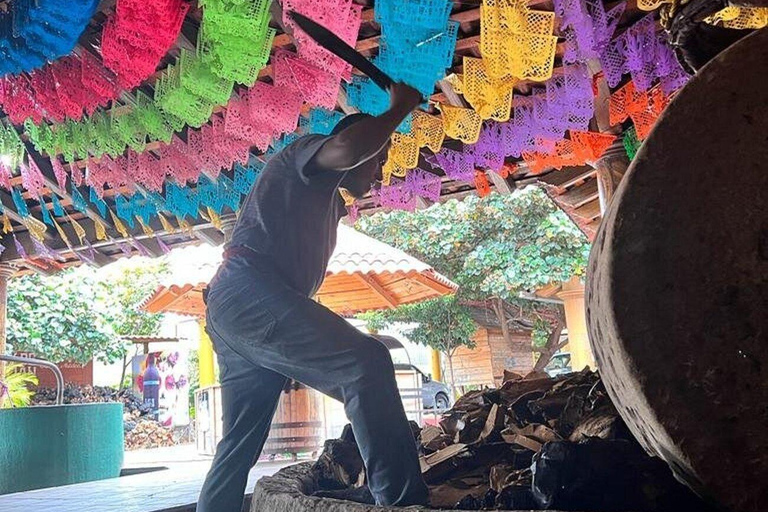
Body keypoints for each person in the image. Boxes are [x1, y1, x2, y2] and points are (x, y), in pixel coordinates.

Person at [196, 82, 428, 512]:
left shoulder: (321, 202)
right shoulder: (301, 157)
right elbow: (345, 148)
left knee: (238, 446)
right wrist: (399, 108)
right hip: (248, 288)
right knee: (367, 363)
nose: (380, 172)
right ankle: (403, 503)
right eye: (379, 159)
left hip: (235, 305)